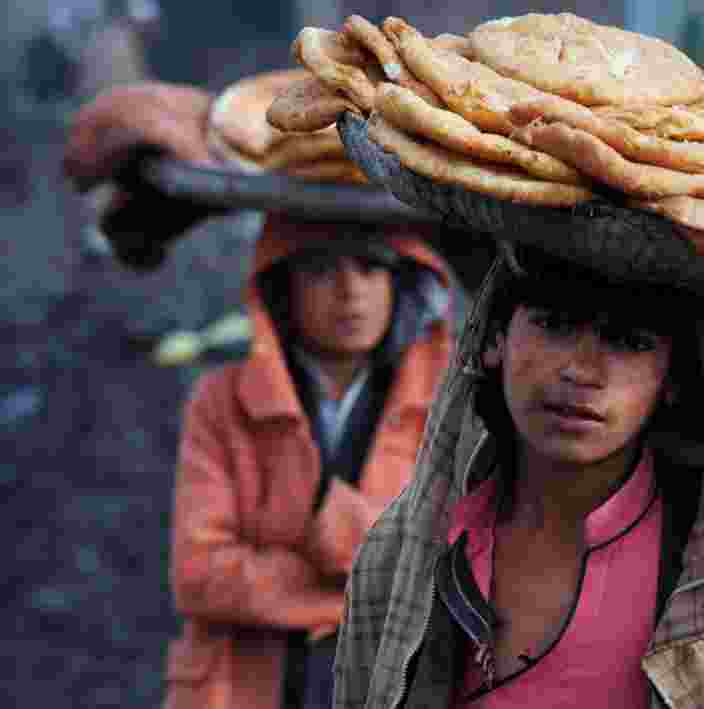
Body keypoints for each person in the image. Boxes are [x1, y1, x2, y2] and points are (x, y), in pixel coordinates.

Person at [333, 244, 704, 708]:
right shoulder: (400, 556)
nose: (581, 371)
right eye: (554, 324)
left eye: (629, 341)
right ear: (494, 339)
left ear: (674, 378)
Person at [64, 82, 457, 709]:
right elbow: (199, 578)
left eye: (371, 269)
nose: (351, 293)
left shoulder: (449, 408)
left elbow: (444, 572)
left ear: (403, 285)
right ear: (281, 287)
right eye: (324, 270)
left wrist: (311, 541)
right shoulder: (220, 402)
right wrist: (358, 570)